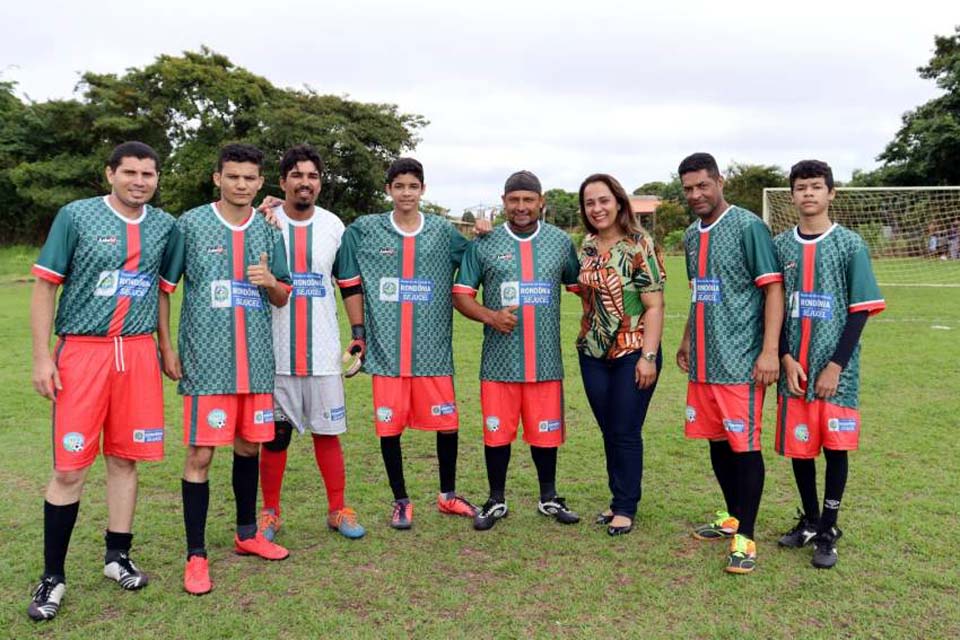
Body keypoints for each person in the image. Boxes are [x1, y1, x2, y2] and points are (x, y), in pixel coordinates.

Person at [27, 141, 178, 620]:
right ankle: (53, 576)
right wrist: (40, 358)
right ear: (110, 174)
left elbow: (160, 291)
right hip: (83, 353)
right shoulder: (76, 216)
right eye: (130, 172)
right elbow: (46, 285)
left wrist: (165, 347)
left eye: (148, 174)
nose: (140, 181)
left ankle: (118, 555)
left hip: (135, 355)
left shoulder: (165, 226)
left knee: (125, 459)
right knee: (70, 469)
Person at [158, 143, 293, 595]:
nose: (241, 184)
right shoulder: (191, 224)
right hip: (205, 361)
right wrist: (166, 344)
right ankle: (195, 555)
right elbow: (164, 287)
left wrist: (271, 282)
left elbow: (283, 295)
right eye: (232, 176)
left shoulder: (270, 231)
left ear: (260, 183)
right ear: (217, 178)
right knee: (199, 455)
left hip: (254, 363)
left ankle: (247, 533)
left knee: (249, 450)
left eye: (250, 178)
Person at [334, 157, 478, 529]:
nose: (406, 193)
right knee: (389, 428)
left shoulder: (443, 233)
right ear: (388, 190)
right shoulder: (366, 230)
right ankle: (400, 500)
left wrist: (485, 234)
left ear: (423, 190)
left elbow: (476, 258)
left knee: (448, 425)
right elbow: (347, 277)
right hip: (387, 353)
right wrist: (359, 333)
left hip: (433, 353)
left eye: (413, 186)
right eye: (399, 186)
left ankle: (447, 495)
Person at [453, 170, 582, 531]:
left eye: (528, 200)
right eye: (514, 200)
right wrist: (491, 317)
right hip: (499, 364)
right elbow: (461, 295)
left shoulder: (559, 242)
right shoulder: (485, 242)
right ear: (504, 202)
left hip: (545, 362)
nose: (521, 207)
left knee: (545, 434)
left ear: (541, 202)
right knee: (497, 434)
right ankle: (496, 499)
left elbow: (580, 287)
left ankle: (549, 497)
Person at [773, 160, 885, 569]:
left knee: (835, 449)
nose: (808, 194)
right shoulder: (781, 246)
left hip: (837, 373)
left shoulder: (850, 245)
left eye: (816, 187)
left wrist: (836, 365)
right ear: (792, 195)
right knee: (800, 449)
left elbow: (859, 311)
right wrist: (785, 356)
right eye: (801, 187)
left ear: (831, 193)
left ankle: (829, 528)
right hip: (794, 371)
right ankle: (810, 519)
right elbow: (776, 308)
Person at [676, 152, 784, 574]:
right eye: (688, 188)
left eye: (703, 185)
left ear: (719, 181)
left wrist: (770, 351)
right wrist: (687, 339)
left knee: (744, 446)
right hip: (705, 360)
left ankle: (747, 537)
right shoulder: (689, 235)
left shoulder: (748, 227)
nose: (696, 194)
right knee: (717, 442)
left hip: (742, 360)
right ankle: (733, 516)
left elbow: (772, 290)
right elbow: (698, 291)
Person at [255, 144, 365, 541]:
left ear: (320, 183)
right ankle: (270, 513)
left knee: (327, 432)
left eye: (313, 176)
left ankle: (338, 509)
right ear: (282, 181)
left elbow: (349, 282)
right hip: (274, 351)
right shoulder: (263, 221)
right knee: (276, 436)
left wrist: (358, 334)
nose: (305, 183)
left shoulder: (335, 226)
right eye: (297, 175)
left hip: (321, 352)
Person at [575, 174, 665, 536]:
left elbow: (655, 306)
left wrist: (648, 356)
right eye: (590, 203)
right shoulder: (587, 245)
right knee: (609, 429)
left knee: (626, 429)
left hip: (634, 349)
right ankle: (616, 500)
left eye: (603, 200)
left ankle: (626, 507)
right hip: (592, 350)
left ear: (619, 202)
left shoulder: (639, 244)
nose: (597, 208)